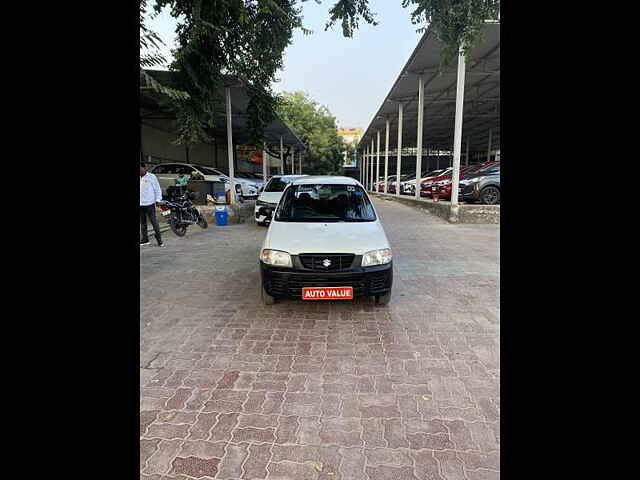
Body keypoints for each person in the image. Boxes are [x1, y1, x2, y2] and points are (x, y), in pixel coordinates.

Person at [140, 162, 164, 247]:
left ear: (144, 168)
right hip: (140, 204)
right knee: (143, 223)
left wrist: (158, 199)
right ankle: (145, 240)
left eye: (140, 168)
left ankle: (160, 240)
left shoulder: (151, 177)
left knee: (154, 222)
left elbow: (157, 189)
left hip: (149, 203)